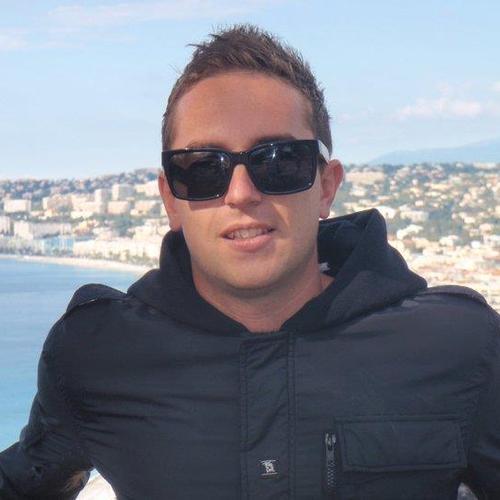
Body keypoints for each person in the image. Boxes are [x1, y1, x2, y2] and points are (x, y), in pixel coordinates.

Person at [0, 24, 499, 500]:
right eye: (203, 169)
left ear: (327, 186)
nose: (241, 193)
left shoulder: (461, 346)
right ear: (171, 199)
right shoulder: (98, 354)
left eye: (278, 161)